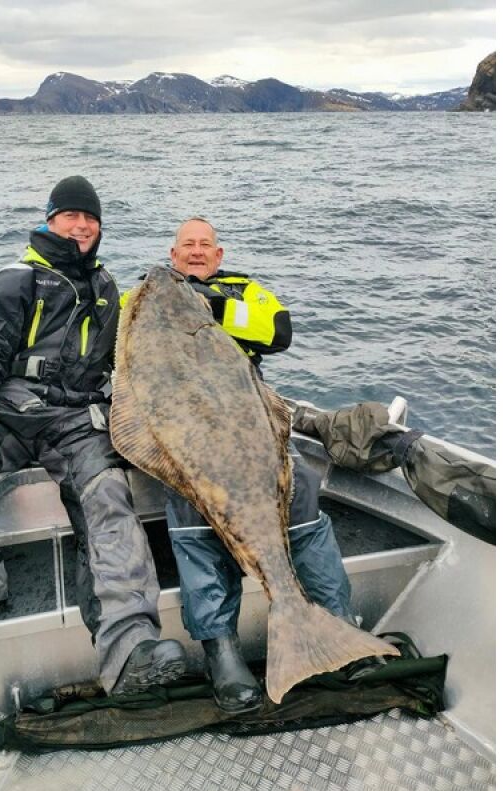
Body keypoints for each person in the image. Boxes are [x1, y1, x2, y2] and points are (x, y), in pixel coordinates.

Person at [0, 176, 186, 697]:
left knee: (107, 494)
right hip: (12, 410)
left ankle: (130, 645)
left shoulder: (107, 290)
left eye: (90, 218)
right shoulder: (19, 278)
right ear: (50, 221)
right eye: (70, 216)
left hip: (79, 419)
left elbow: (133, 359)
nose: (81, 226)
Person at [143, 217, 364, 713]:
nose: (196, 251)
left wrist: (214, 306)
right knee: (193, 521)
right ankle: (222, 654)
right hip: (187, 435)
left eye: (205, 245)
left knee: (301, 495)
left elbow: (278, 332)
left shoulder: (244, 292)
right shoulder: (146, 298)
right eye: (187, 245)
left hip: (252, 427)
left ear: (218, 255)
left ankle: (338, 625)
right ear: (173, 255)